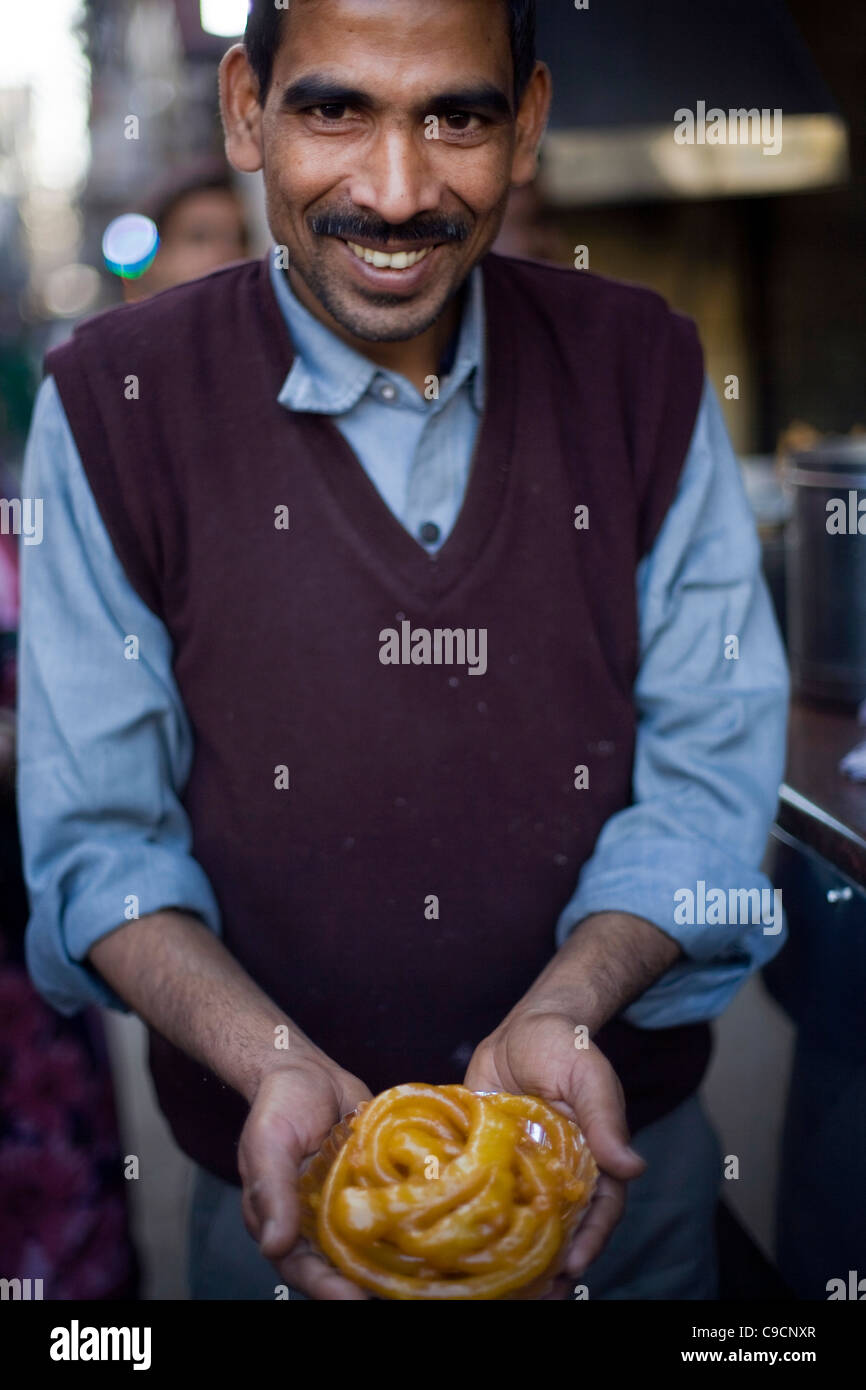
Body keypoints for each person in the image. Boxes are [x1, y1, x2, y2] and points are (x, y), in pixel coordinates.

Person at [17, 0, 789, 1301]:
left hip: (620, 1185)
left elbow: (711, 771)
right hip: (276, 1198)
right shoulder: (110, 405)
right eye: (334, 108)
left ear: (527, 123)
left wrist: (566, 1004)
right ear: (245, 111)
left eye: (456, 116)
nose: (393, 189)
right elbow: (99, 841)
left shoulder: (642, 371)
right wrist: (268, 1060)